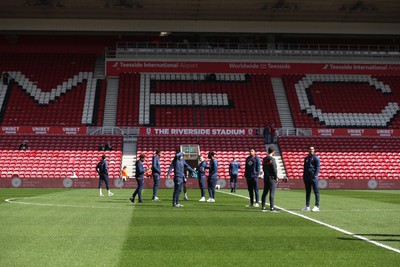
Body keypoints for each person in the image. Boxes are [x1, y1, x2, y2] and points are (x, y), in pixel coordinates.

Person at [302, 146, 321, 212]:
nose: (311, 150)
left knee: (316, 191)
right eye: (310, 149)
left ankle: (317, 206)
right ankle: (307, 206)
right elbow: (305, 168)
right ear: (308, 150)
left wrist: (315, 176)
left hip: (313, 177)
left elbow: (318, 167)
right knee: (308, 192)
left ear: (314, 150)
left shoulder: (316, 158)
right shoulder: (306, 158)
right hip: (307, 177)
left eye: (312, 149)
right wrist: (304, 176)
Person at [261, 146, 278, 212]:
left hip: (266, 177)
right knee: (272, 193)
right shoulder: (272, 159)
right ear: (273, 151)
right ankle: (272, 207)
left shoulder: (264, 159)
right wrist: (276, 177)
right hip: (272, 178)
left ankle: (263, 207)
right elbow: (274, 169)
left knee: (265, 192)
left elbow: (263, 168)